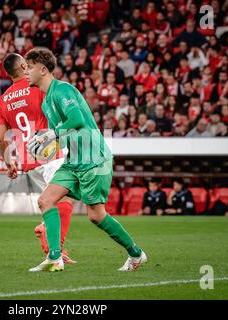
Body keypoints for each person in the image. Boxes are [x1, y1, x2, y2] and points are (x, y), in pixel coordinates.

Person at [25, 47, 146, 272]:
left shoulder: (63, 90)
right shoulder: (45, 102)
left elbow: (77, 119)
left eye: (29, 67)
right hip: (74, 161)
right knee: (46, 200)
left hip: (93, 158)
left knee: (95, 215)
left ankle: (136, 254)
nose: (26, 72)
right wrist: (42, 145)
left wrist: (51, 133)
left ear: (42, 69)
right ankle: (54, 258)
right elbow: (61, 138)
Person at [0, 53, 75, 264]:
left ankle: (52, 245)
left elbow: (1, 138)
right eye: (28, 64)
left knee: (55, 200)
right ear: (23, 66)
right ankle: (52, 247)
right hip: (49, 153)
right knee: (65, 200)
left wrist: (9, 162)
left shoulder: (3, 100)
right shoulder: (37, 87)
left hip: (28, 160)